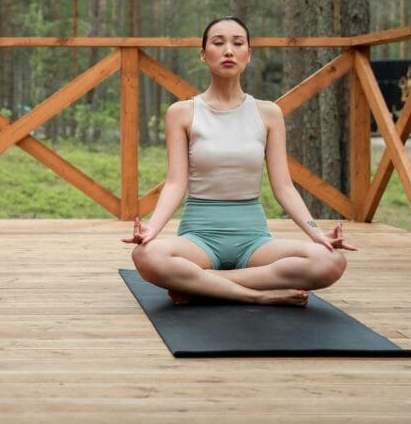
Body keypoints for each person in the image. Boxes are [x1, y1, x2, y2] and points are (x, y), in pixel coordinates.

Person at [123, 16, 354, 306]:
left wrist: (316, 232)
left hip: (254, 242)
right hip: (199, 240)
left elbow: (283, 186)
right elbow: (175, 183)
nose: (228, 50)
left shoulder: (269, 113)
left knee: (330, 262)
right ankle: (255, 295)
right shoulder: (181, 113)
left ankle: (202, 285)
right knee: (146, 256)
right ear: (204, 55)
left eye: (238, 43)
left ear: (248, 54)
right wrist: (151, 230)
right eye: (218, 43)